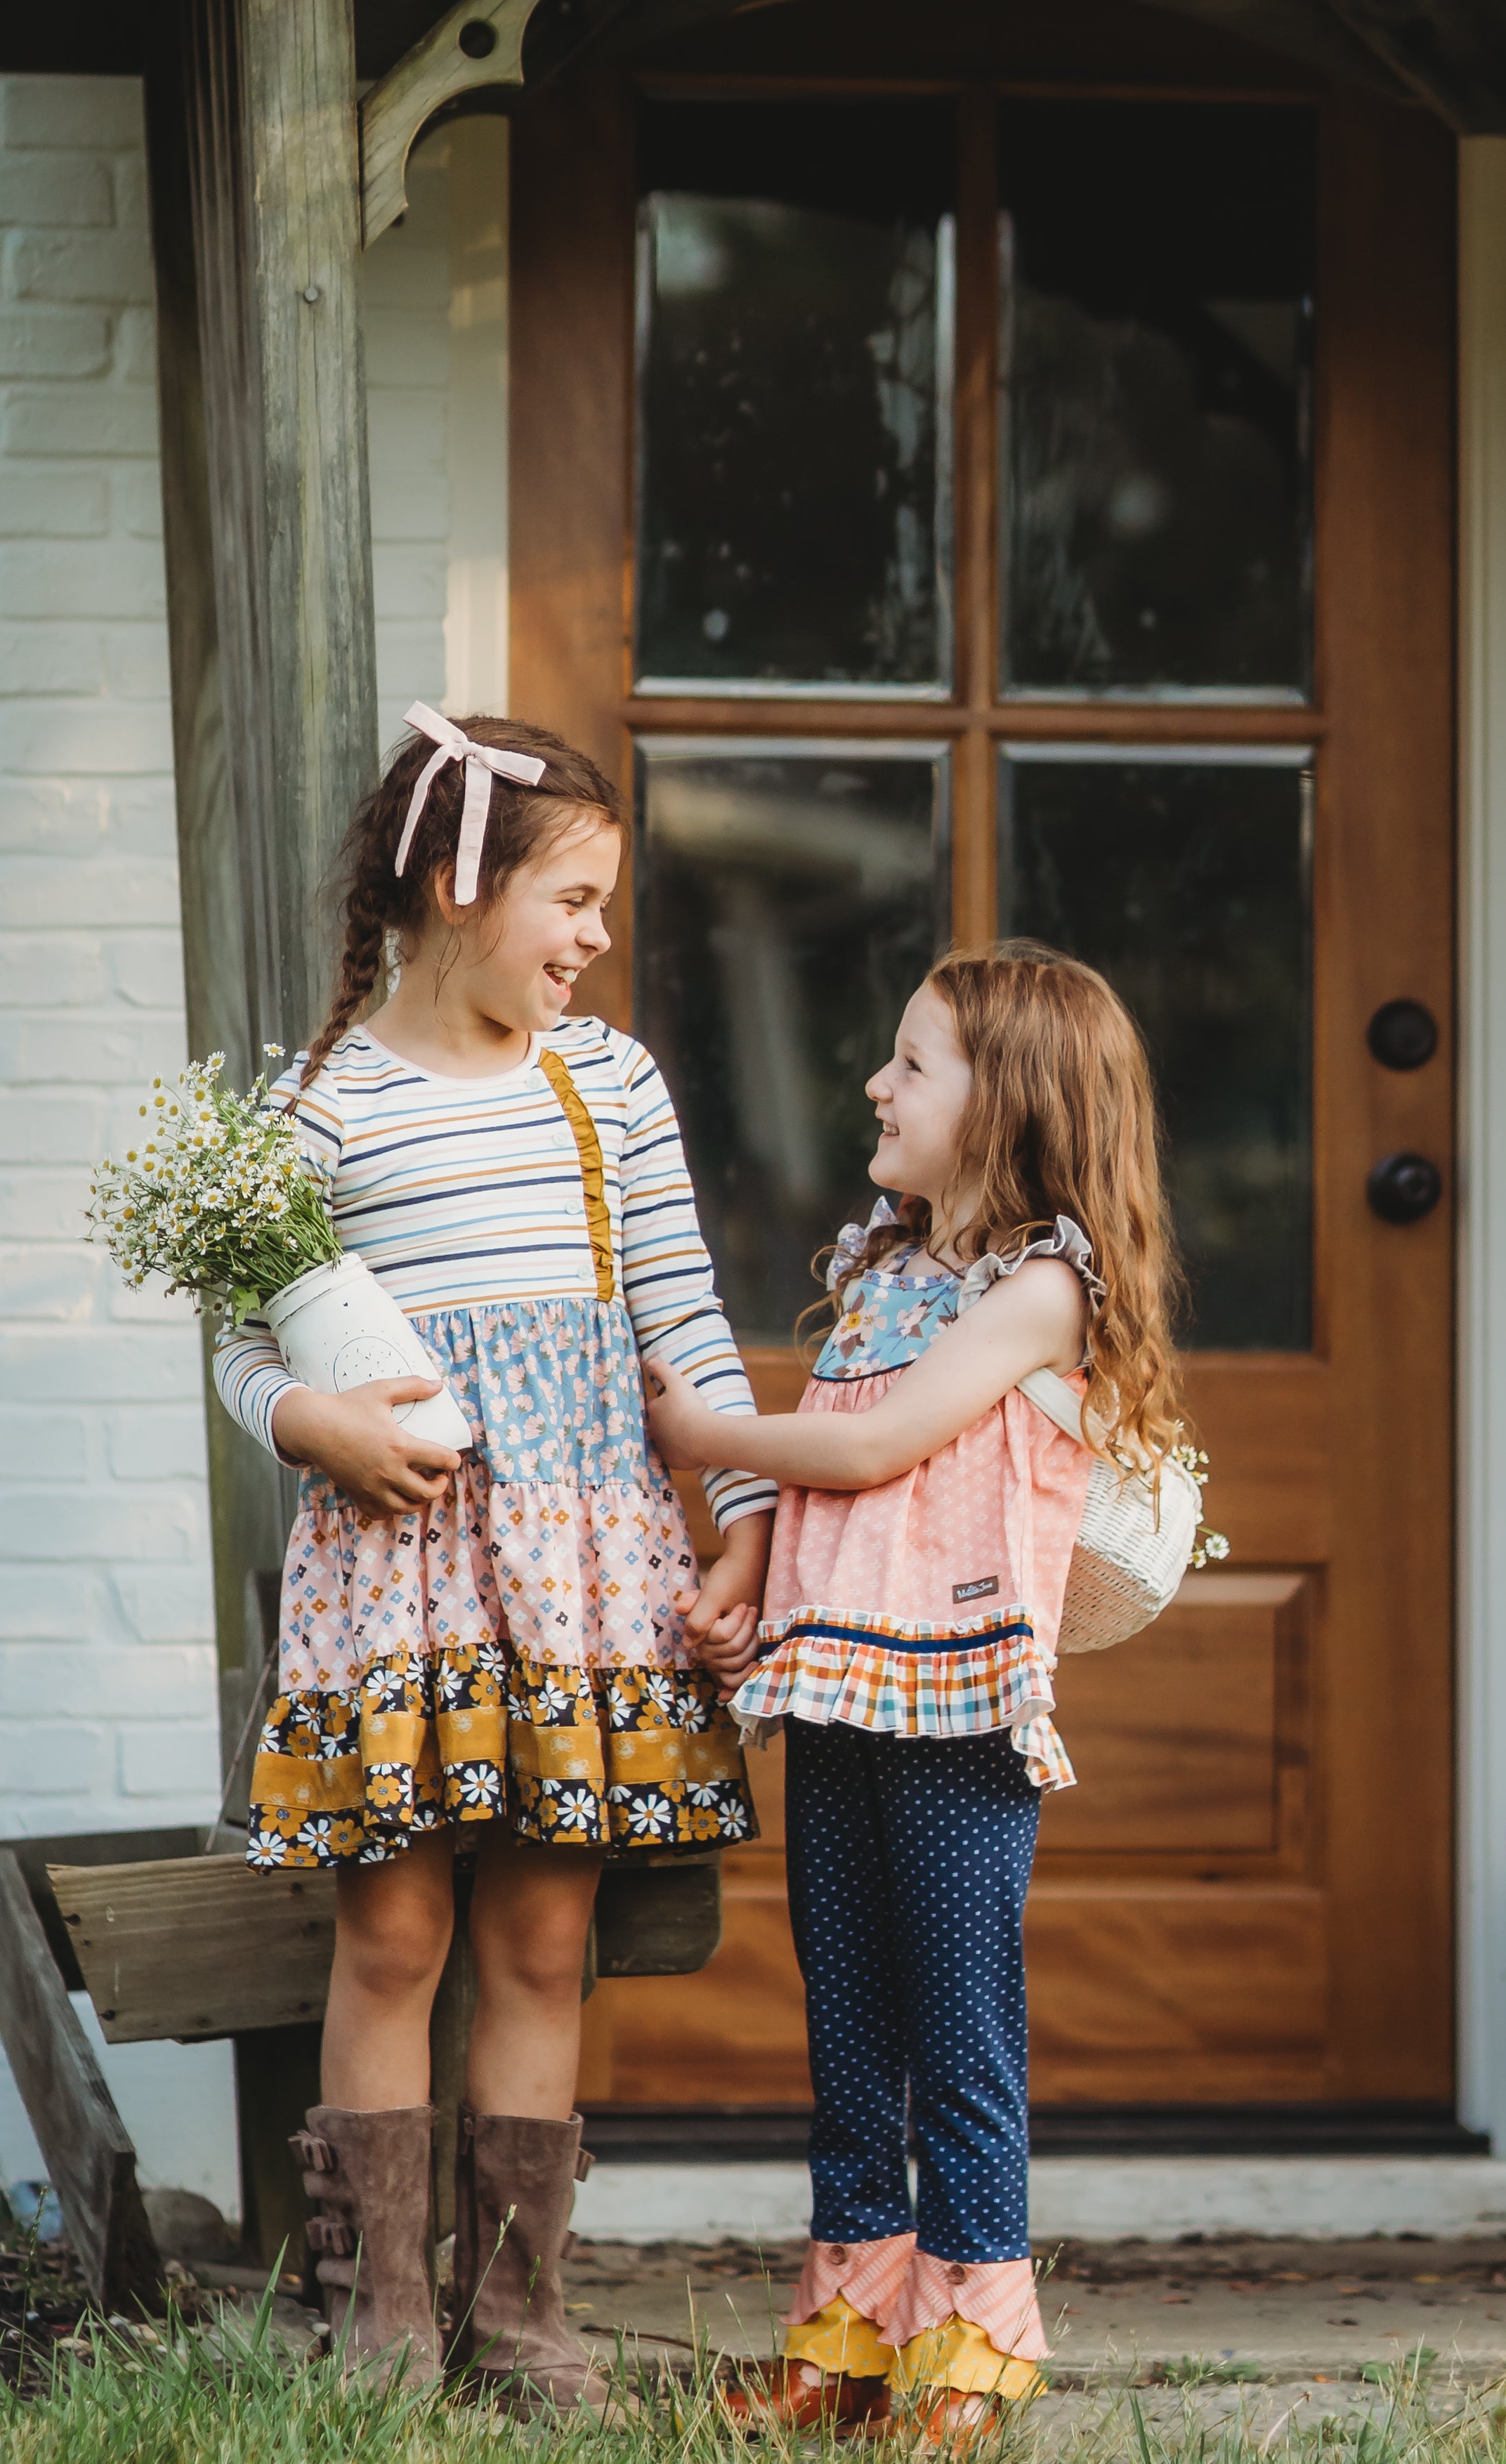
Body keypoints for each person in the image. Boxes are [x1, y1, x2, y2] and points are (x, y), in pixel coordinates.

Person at [213, 706, 773, 2401]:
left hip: (586, 1566)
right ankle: (380, 2314)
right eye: (576, 899)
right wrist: (311, 1427)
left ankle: (519, 2319)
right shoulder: (317, 1103)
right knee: (392, 1940)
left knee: (542, 1944)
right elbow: (244, 1339)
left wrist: (742, 1523)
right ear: (458, 882)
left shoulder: (609, 1085)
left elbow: (682, 1309)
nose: (599, 939)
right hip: (403, 1576)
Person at [642, 938, 1188, 2448]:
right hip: (836, 1699)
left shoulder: (1038, 1288)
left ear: (1004, 1102)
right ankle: (849, 2326)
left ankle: (977, 2335)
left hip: (953, 1705)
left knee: (957, 2031)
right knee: (845, 2022)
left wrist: (703, 1431)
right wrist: (748, 1578)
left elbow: (874, 1452)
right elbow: (834, 1493)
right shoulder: (879, 1274)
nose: (875, 1084)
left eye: (912, 1063)